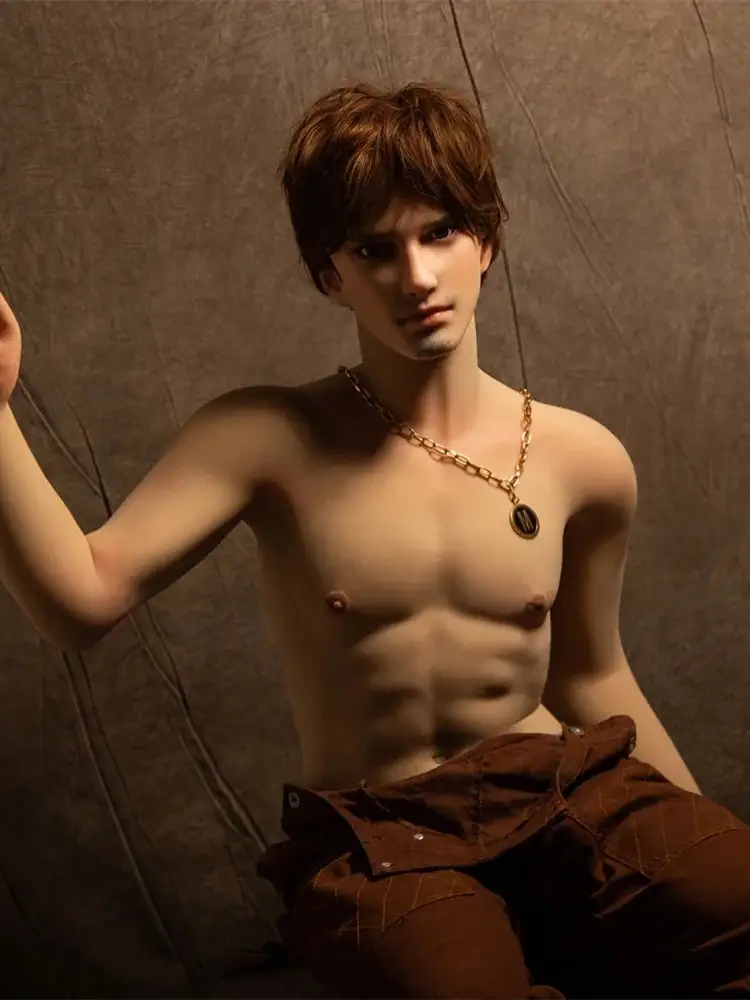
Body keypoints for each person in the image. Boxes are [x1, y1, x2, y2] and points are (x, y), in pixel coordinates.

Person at [1, 81, 748, 1000]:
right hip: (383, 832)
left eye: (441, 232)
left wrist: (703, 850)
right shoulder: (268, 437)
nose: (417, 277)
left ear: (487, 242)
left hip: (563, 792)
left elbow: (592, 675)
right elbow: (78, 602)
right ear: (331, 276)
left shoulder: (582, 457)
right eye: (374, 249)